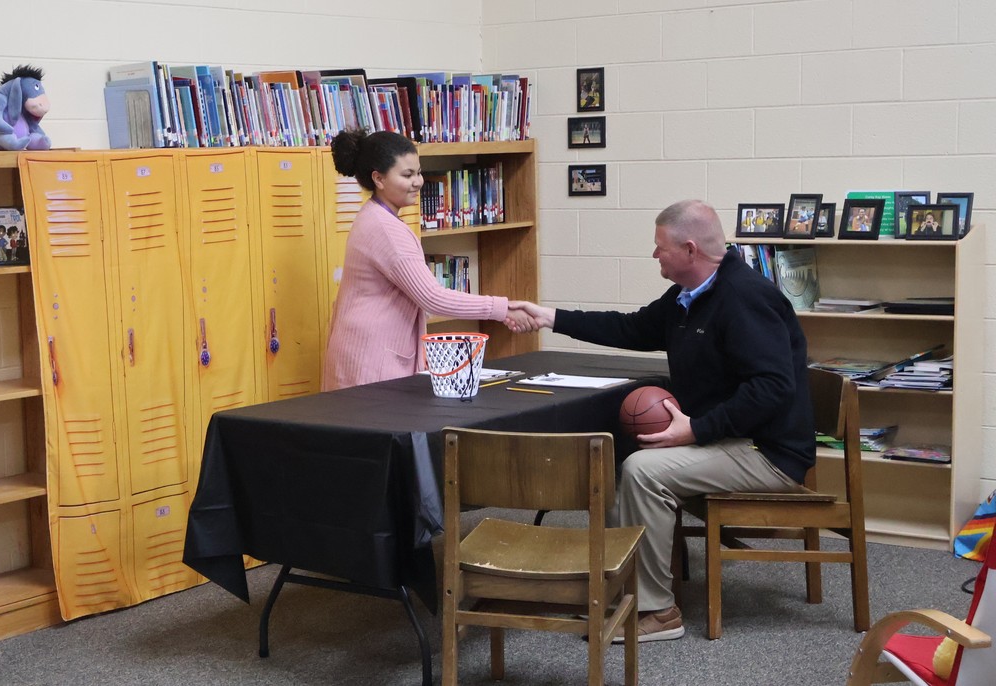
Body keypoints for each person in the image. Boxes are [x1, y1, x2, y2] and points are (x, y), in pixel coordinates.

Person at [514, 199, 815, 642]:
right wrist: (551, 318)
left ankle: (657, 611)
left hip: (767, 452)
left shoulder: (745, 297)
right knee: (619, 461)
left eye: (660, 246)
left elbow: (773, 389)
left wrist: (695, 429)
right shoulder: (687, 297)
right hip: (726, 440)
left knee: (643, 471)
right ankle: (622, 594)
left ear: (690, 250)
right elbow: (632, 328)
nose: (654, 254)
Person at [322, 129, 532, 391]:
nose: (418, 182)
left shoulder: (375, 216)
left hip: (364, 354)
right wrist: (503, 308)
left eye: (419, 173)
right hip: (371, 362)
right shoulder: (386, 229)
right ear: (379, 178)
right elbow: (433, 297)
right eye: (407, 175)